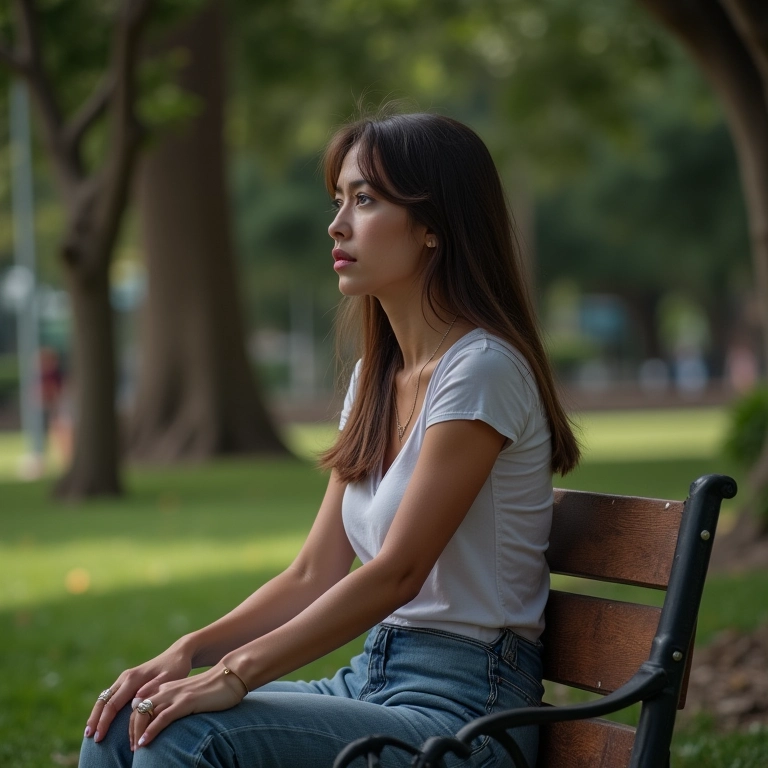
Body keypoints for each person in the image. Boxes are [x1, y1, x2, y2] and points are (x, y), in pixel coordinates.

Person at [79, 111, 580, 768]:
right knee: (122, 724)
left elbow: (398, 573)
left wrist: (235, 673)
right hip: (373, 680)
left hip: (465, 711)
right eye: (339, 199)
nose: (337, 224)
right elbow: (315, 571)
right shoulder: (379, 376)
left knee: (184, 736)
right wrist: (191, 651)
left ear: (434, 225)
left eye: (365, 200)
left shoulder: (482, 370)